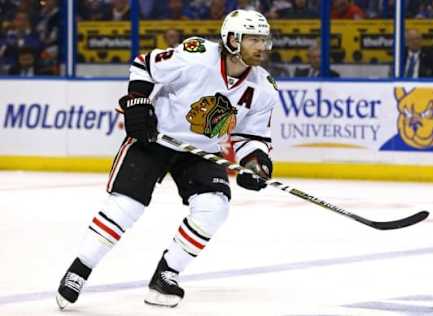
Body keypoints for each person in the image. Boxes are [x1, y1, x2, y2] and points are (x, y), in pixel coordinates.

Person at [56, 9, 277, 309]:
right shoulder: (197, 54)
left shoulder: (264, 88)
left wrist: (256, 165)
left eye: (264, 40)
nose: (262, 47)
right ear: (232, 40)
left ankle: (166, 275)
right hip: (156, 137)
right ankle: (79, 270)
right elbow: (144, 65)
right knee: (126, 206)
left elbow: (252, 137)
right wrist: (138, 103)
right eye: (254, 39)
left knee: (214, 207)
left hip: (201, 150)